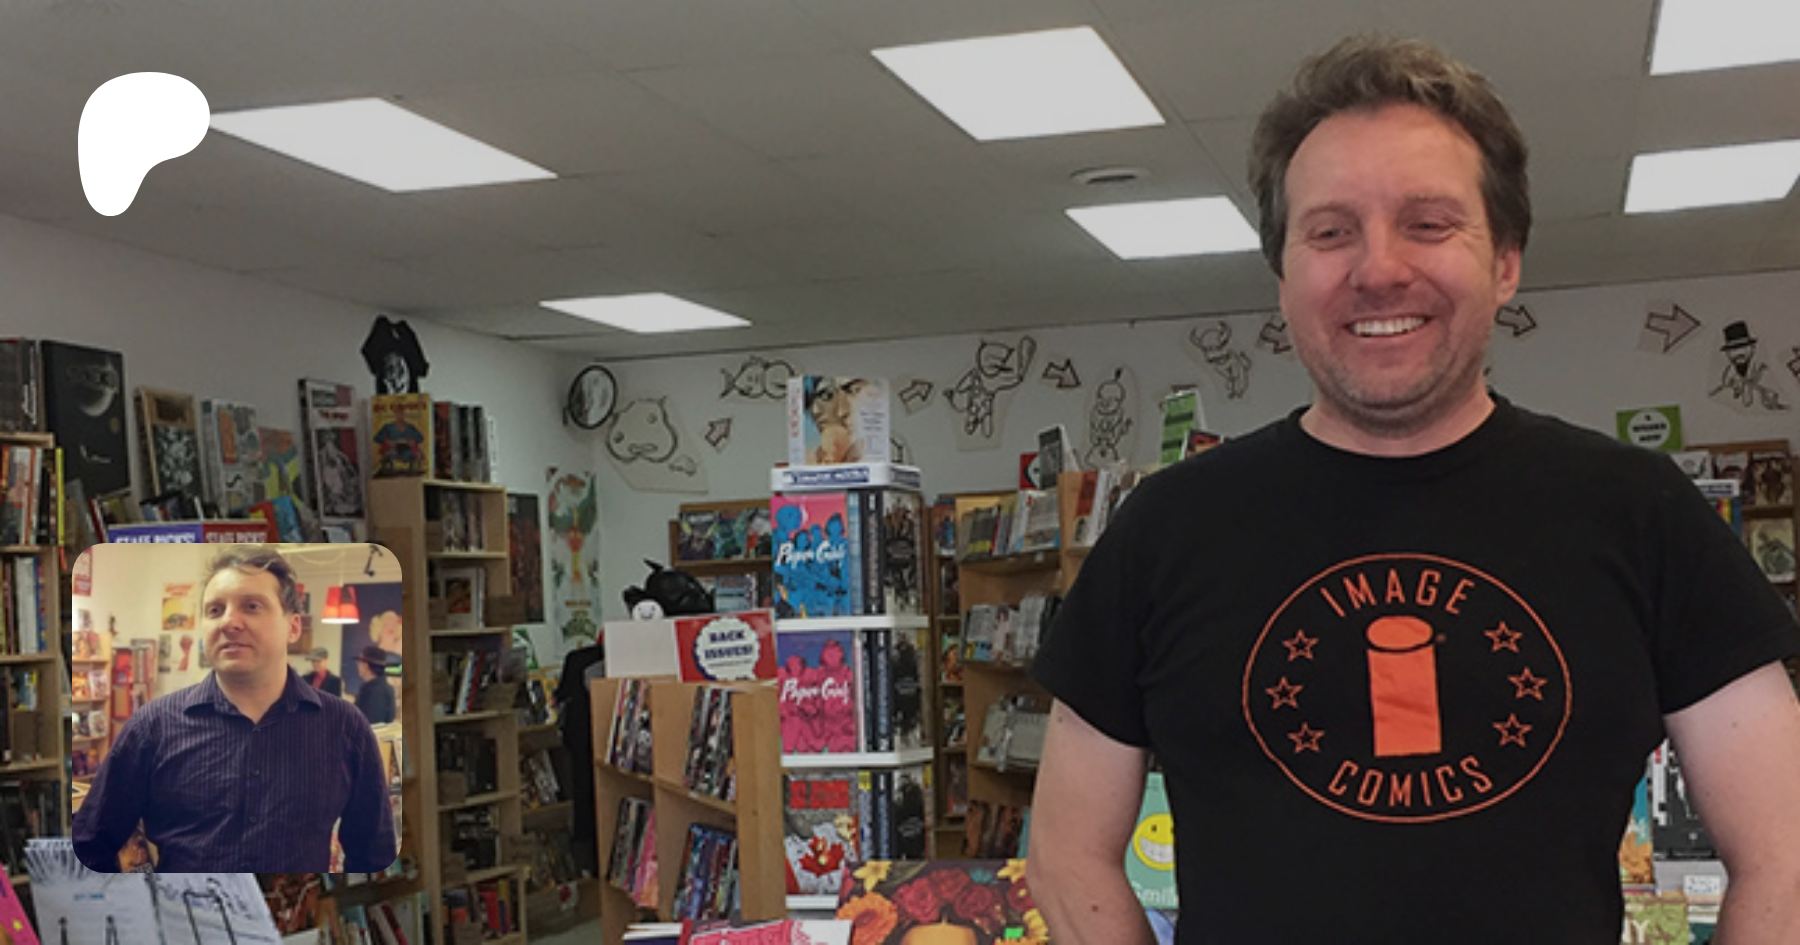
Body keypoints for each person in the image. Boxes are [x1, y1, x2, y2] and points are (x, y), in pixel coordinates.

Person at [1026, 35, 1800, 944]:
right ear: (1283, 276)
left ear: (1505, 261)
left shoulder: (1642, 510)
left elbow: (1785, 850)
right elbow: (1067, 855)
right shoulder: (1166, 528)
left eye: (1429, 223)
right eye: (1330, 231)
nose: (1379, 268)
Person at [72, 545, 397, 873]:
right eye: (215, 610)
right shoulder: (152, 728)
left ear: (293, 627)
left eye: (252, 606)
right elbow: (89, 845)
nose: (229, 622)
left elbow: (372, 854)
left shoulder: (344, 727)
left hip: (296, 904)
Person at [354, 645, 397, 725]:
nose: (358, 666)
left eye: (359, 662)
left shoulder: (375, 692)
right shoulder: (383, 688)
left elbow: (372, 724)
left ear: (366, 665)